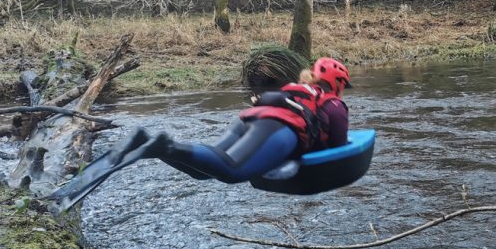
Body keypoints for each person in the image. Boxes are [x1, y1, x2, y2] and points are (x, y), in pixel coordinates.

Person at [51, 57, 352, 208]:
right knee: (232, 171)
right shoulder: (335, 105)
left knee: (203, 171)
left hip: (249, 119)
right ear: (337, 83)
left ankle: (153, 145)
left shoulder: (299, 89)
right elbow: (337, 149)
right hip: (279, 131)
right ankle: (164, 145)